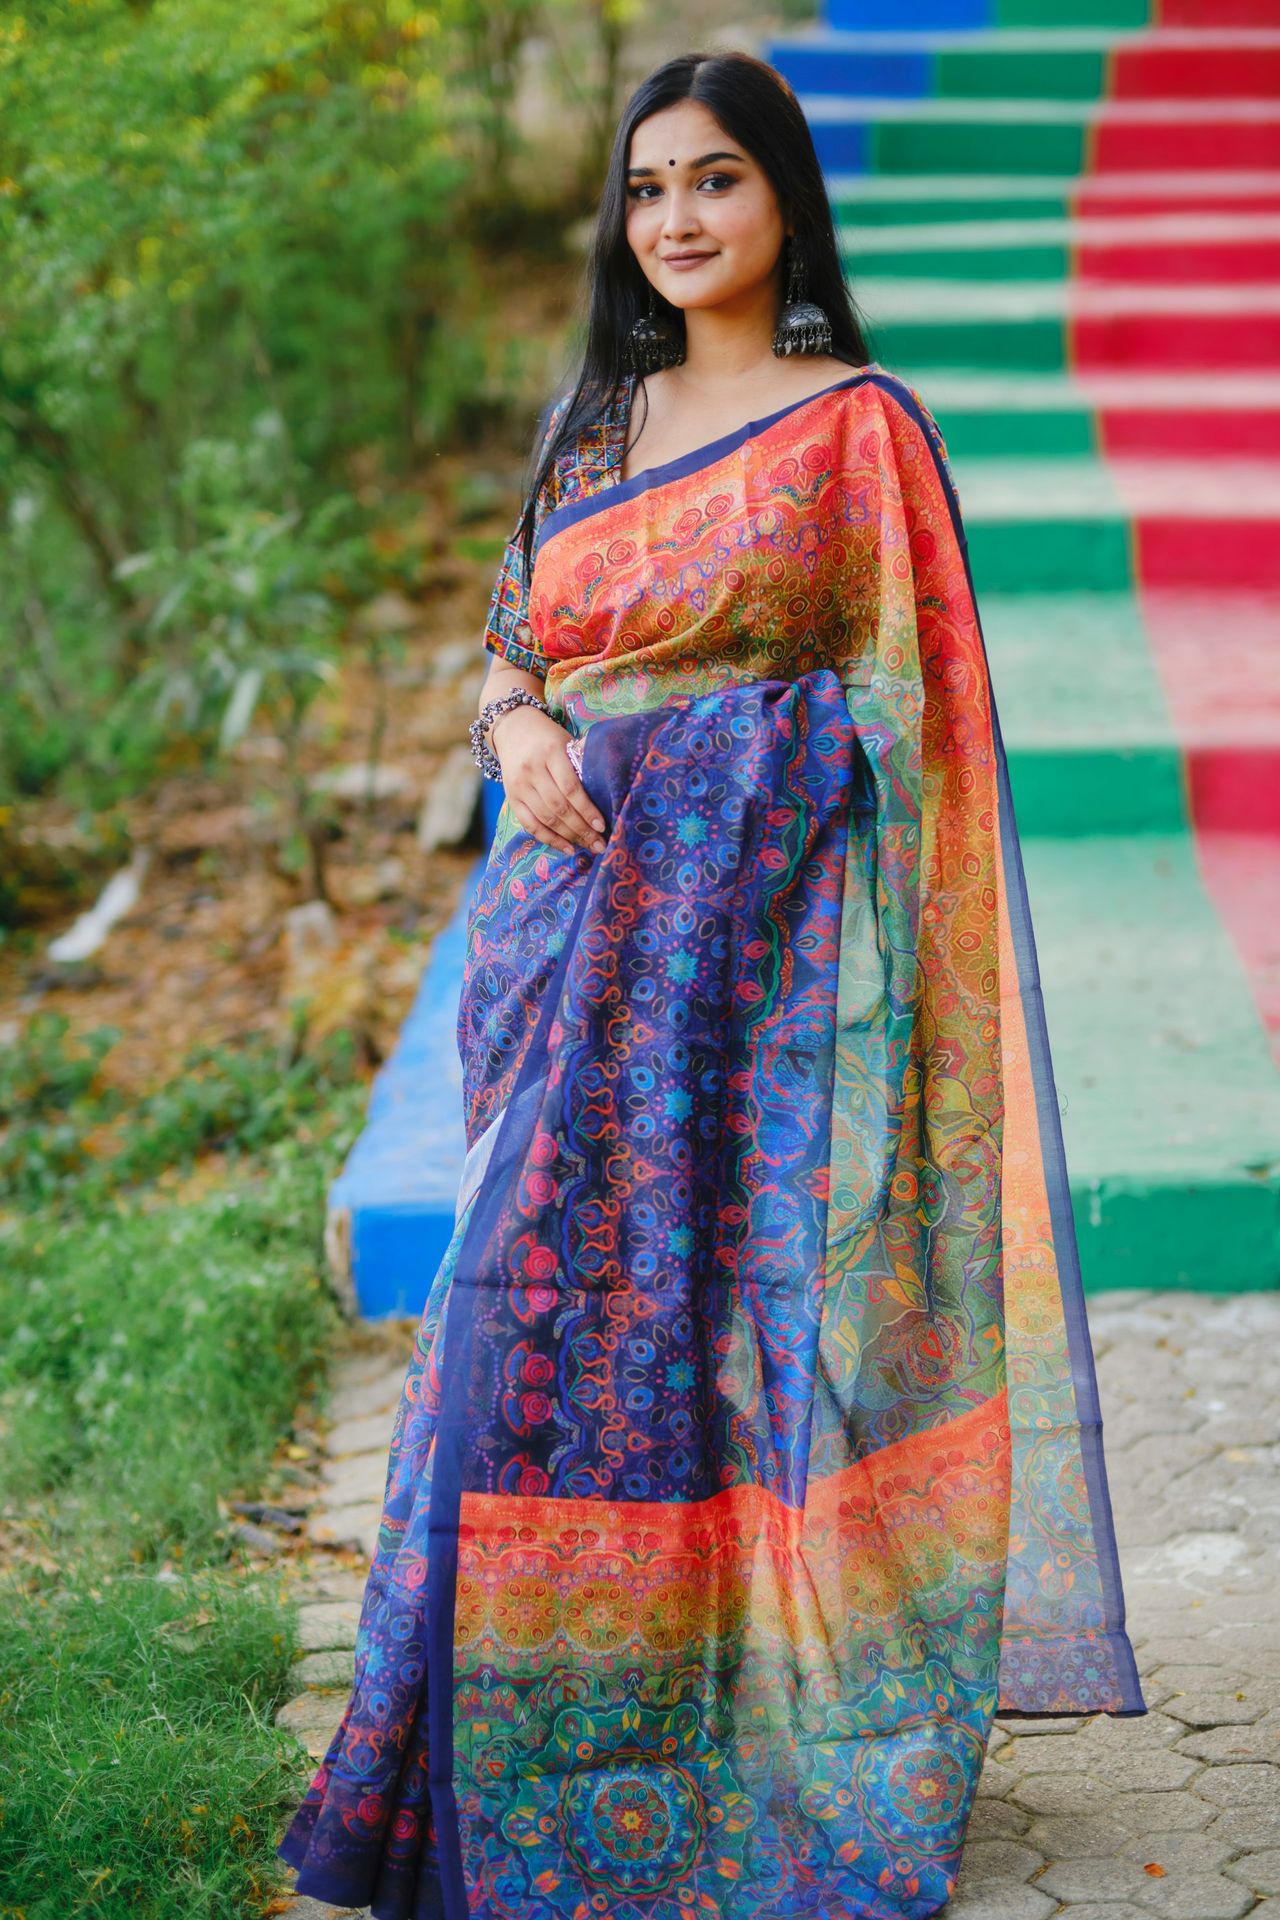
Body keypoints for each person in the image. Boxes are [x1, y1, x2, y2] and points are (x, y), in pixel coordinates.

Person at [277, 48, 1144, 1920]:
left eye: (717, 181)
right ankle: (469, 1756)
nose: (676, 219)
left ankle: (743, 1741)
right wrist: (514, 725)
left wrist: (751, 769)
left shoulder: (859, 431)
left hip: (770, 956)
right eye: (649, 187)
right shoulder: (594, 424)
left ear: (785, 203)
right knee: (529, 1320)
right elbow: (512, 646)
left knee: (747, 1348)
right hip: (566, 946)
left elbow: (927, 717)